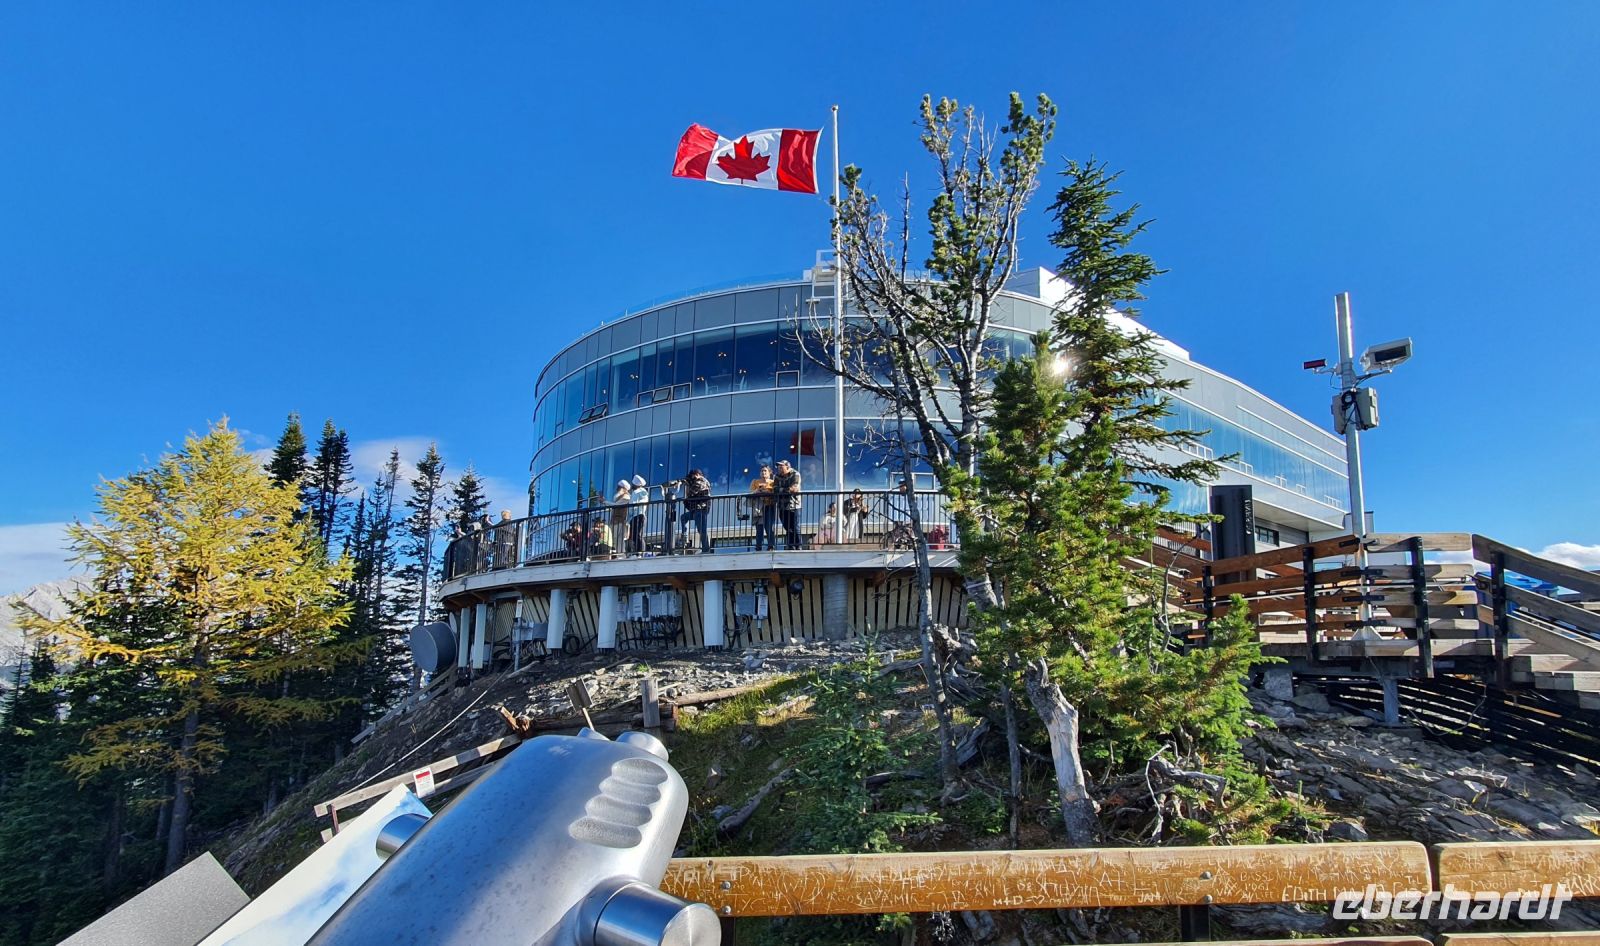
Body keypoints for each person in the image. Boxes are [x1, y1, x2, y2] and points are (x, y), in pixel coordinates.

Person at [773, 459, 803, 550]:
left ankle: (798, 546)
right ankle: (791, 546)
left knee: (795, 527)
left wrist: (782, 490)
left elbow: (794, 489)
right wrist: (786, 490)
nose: (779, 469)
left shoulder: (795, 474)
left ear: (787, 467)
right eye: (779, 467)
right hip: (782, 505)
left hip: (794, 505)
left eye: (781, 467)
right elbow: (775, 489)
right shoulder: (777, 476)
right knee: (787, 527)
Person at [681, 468, 712, 553]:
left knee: (702, 529)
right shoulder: (697, 482)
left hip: (701, 509)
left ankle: (706, 549)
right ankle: (685, 537)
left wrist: (688, 484)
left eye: (692, 476)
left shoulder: (701, 481)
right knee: (684, 517)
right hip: (696, 509)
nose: (692, 478)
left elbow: (692, 493)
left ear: (697, 474)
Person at [749, 465, 776, 551]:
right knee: (759, 527)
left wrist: (767, 491)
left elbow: (776, 493)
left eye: (765, 471)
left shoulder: (773, 482)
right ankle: (758, 546)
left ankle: (771, 545)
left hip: (769, 505)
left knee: (769, 526)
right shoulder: (755, 482)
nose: (763, 473)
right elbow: (751, 493)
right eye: (762, 471)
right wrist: (758, 491)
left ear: (769, 473)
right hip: (759, 506)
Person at [628, 474, 649, 555]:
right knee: (637, 535)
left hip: (637, 515)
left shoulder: (637, 492)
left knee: (637, 535)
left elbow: (633, 505)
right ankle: (639, 552)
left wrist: (629, 515)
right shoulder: (643, 492)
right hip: (639, 515)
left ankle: (639, 553)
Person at [611, 479, 631, 556]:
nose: (617, 489)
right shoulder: (618, 496)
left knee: (620, 539)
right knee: (615, 539)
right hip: (616, 520)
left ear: (623, 488)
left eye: (619, 487)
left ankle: (621, 555)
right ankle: (618, 554)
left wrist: (604, 502)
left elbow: (616, 505)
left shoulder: (626, 496)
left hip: (621, 521)